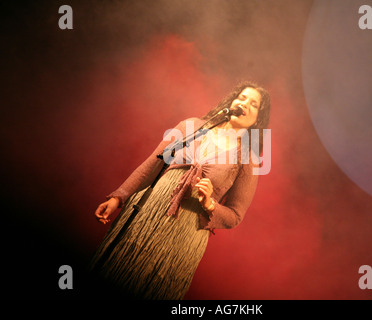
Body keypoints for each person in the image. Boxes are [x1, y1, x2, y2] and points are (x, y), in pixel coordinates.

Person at [89, 81, 271, 299]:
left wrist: (210, 205)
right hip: (147, 215)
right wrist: (119, 197)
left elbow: (235, 215)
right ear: (232, 102)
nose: (244, 104)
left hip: (184, 236)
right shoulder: (191, 127)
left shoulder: (247, 159)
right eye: (242, 98)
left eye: (253, 104)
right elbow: (152, 165)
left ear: (257, 118)